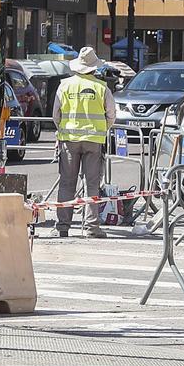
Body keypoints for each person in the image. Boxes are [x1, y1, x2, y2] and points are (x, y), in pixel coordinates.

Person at [53, 47, 114, 238]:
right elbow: (111, 115)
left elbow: (56, 114)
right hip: (94, 141)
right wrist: (102, 128)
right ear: (94, 68)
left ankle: (63, 227)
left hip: (69, 140)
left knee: (66, 184)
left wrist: (63, 129)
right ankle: (91, 227)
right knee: (92, 185)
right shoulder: (102, 87)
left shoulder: (64, 85)